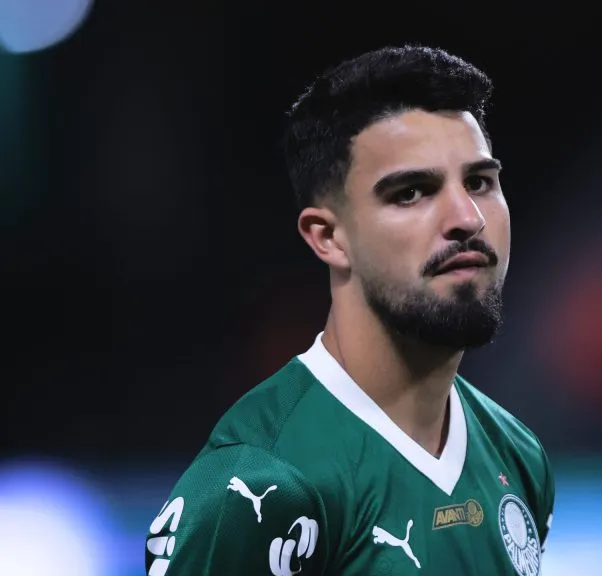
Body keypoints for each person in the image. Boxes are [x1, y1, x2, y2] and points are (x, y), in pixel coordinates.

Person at [144, 45, 554, 575]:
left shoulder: (517, 456)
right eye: (412, 192)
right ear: (328, 237)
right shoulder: (256, 484)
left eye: (479, 182)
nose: (467, 217)